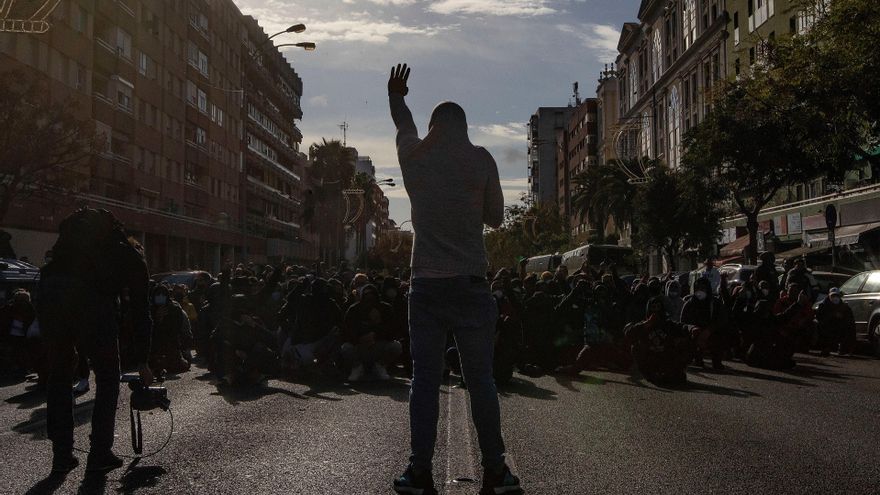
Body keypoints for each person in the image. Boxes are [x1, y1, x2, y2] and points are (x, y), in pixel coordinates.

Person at [387, 64, 520, 495]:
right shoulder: (481, 159)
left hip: (426, 284)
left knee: (424, 380)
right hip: (470, 284)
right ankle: (496, 472)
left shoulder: (414, 158)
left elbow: (403, 124)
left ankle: (419, 471)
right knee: (480, 380)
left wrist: (397, 95)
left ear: (433, 129)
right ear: (465, 127)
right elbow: (497, 217)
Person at [38, 208, 153, 473]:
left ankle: (62, 454)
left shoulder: (73, 248)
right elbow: (140, 312)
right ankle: (100, 452)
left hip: (49, 290)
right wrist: (143, 360)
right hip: (90, 303)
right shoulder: (131, 258)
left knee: (58, 375)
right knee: (108, 376)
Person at [625, 297, 693, 386]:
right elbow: (629, 334)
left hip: (666, 358)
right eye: (653, 307)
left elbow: (681, 327)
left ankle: (675, 372)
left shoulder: (667, 324)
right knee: (635, 346)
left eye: (658, 307)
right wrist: (646, 324)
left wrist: (691, 328)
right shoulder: (644, 325)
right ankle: (649, 374)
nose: (656, 310)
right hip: (650, 359)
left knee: (686, 342)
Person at [341, 284, 402, 381]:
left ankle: (380, 366)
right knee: (346, 348)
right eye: (366, 296)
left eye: (372, 295)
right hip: (360, 346)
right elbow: (347, 330)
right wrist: (360, 338)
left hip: (379, 346)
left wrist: (376, 331)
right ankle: (357, 367)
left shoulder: (385, 308)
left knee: (396, 346)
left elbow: (393, 330)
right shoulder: (354, 309)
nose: (369, 299)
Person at [815, 288, 856, 356]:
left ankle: (844, 348)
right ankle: (825, 347)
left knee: (849, 327)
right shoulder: (823, 305)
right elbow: (820, 318)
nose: (835, 298)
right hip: (827, 326)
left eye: (836, 296)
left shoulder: (844, 306)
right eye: (833, 296)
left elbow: (850, 319)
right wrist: (832, 315)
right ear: (829, 296)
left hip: (839, 326)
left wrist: (842, 317)